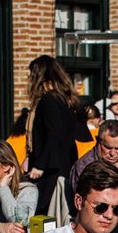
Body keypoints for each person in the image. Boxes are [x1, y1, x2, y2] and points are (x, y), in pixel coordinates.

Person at [26, 55, 86, 216]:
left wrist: (40, 165)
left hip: (51, 168)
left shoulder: (48, 101)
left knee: (44, 212)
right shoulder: (66, 100)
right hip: (64, 163)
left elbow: (54, 133)